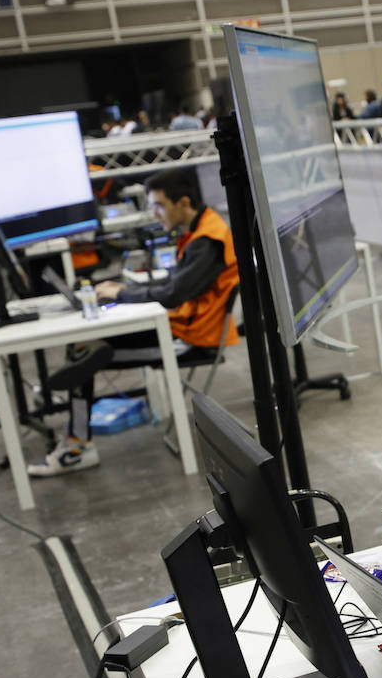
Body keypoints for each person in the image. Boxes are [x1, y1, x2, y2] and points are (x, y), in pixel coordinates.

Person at [29, 169, 240, 476]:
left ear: (183, 202)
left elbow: (170, 294)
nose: (154, 214)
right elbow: (172, 285)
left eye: (158, 206)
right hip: (180, 325)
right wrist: (122, 290)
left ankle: (76, 447)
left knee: (85, 348)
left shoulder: (208, 239)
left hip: (189, 337)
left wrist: (123, 292)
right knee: (86, 346)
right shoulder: (200, 230)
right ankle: (68, 405)